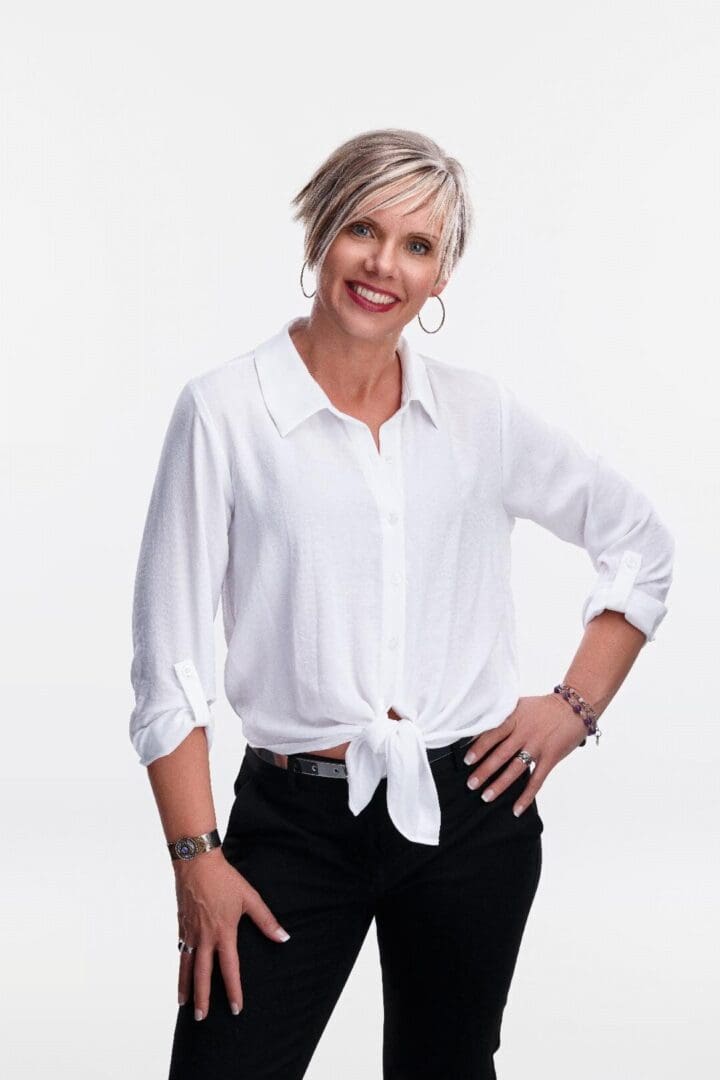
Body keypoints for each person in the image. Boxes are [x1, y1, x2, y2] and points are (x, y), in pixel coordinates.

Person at [128, 128, 675, 1079]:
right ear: (319, 235)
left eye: (418, 246)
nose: (384, 265)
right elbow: (169, 666)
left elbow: (639, 544)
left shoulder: (480, 415)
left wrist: (572, 709)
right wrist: (196, 859)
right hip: (292, 825)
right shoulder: (223, 412)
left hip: (469, 813)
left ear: (442, 277)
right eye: (362, 229)